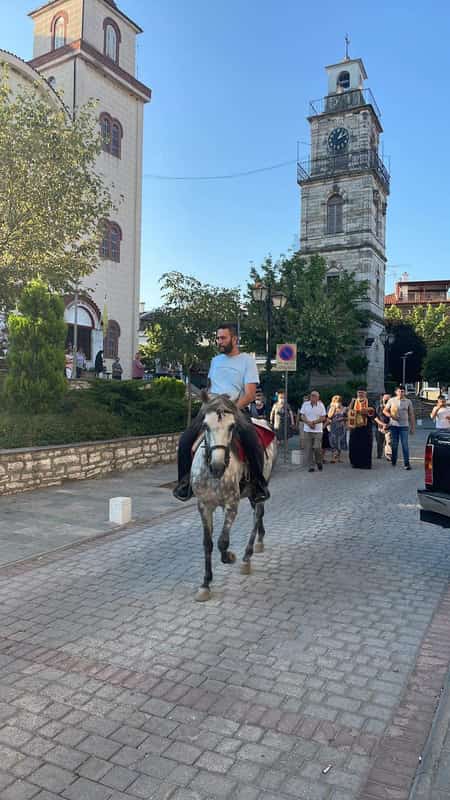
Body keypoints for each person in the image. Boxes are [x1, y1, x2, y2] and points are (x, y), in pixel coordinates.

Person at [173, 322, 270, 503]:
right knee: (185, 440)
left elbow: (250, 394)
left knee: (252, 440)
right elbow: (211, 387)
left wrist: (231, 409)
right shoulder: (215, 361)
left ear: (235, 339)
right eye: (218, 338)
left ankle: (258, 485)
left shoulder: (247, 361)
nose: (219, 341)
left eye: (223, 338)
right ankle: (184, 483)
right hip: (211, 409)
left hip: (235, 408)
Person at [383, 385, 415, 470]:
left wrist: (412, 427)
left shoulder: (408, 401)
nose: (401, 393)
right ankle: (394, 460)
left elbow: (411, 414)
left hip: (404, 426)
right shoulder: (391, 400)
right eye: (399, 391)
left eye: (403, 391)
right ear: (396, 392)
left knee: (405, 445)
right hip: (394, 426)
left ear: (405, 392)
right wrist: (391, 416)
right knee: (394, 445)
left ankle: (407, 464)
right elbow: (385, 411)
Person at [300, 390, 327, 472]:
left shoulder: (321, 405)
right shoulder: (305, 404)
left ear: (318, 398)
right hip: (307, 429)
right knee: (308, 448)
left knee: (317, 447)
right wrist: (308, 423)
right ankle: (311, 466)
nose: (313, 397)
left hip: (318, 430)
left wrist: (314, 422)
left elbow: (323, 417)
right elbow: (302, 416)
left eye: (315, 396)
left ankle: (319, 461)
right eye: (312, 395)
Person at [348, 388, 374, 469]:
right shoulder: (353, 402)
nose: (360, 394)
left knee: (366, 446)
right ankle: (355, 463)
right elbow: (349, 411)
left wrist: (367, 410)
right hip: (355, 427)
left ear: (365, 393)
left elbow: (373, 413)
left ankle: (365, 464)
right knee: (354, 445)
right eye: (359, 392)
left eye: (362, 392)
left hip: (366, 427)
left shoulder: (369, 402)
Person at [327, 394, 347, 463]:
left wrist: (343, 418)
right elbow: (329, 416)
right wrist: (333, 408)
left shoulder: (344, 408)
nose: (338, 402)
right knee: (333, 441)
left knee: (340, 441)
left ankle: (338, 458)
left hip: (341, 427)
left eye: (339, 401)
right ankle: (333, 458)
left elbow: (347, 417)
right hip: (333, 427)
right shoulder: (331, 407)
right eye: (336, 401)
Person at [374, 393, 392, 461]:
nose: (387, 400)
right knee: (379, 442)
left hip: (389, 427)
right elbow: (375, 417)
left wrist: (388, 424)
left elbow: (394, 417)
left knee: (389, 442)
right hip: (379, 427)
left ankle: (388, 455)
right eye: (385, 398)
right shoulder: (378, 406)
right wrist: (382, 424)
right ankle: (379, 454)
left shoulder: (392, 407)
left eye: (388, 399)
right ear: (382, 398)